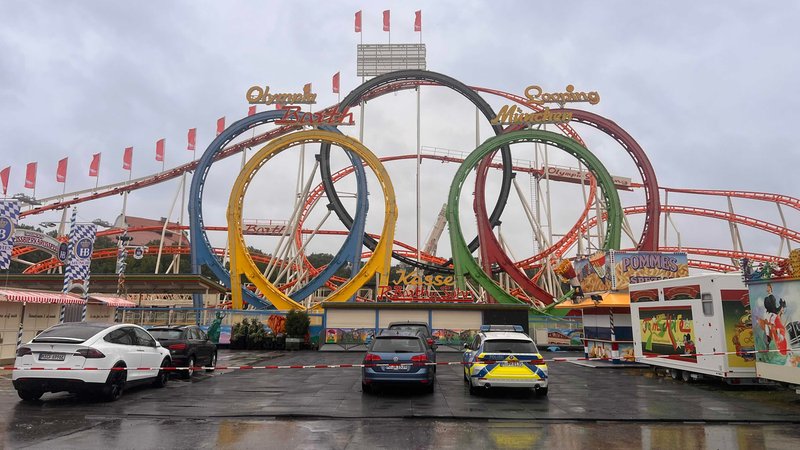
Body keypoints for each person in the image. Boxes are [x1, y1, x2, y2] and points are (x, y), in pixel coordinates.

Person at [760, 283, 788, 356]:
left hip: (772, 315)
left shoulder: (771, 297)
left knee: (769, 325)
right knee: (768, 326)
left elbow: (774, 309)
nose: (766, 289)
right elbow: (773, 309)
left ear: (770, 288)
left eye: (768, 287)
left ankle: (769, 339)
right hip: (771, 314)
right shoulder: (768, 298)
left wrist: (781, 306)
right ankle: (768, 339)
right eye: (767, 287)